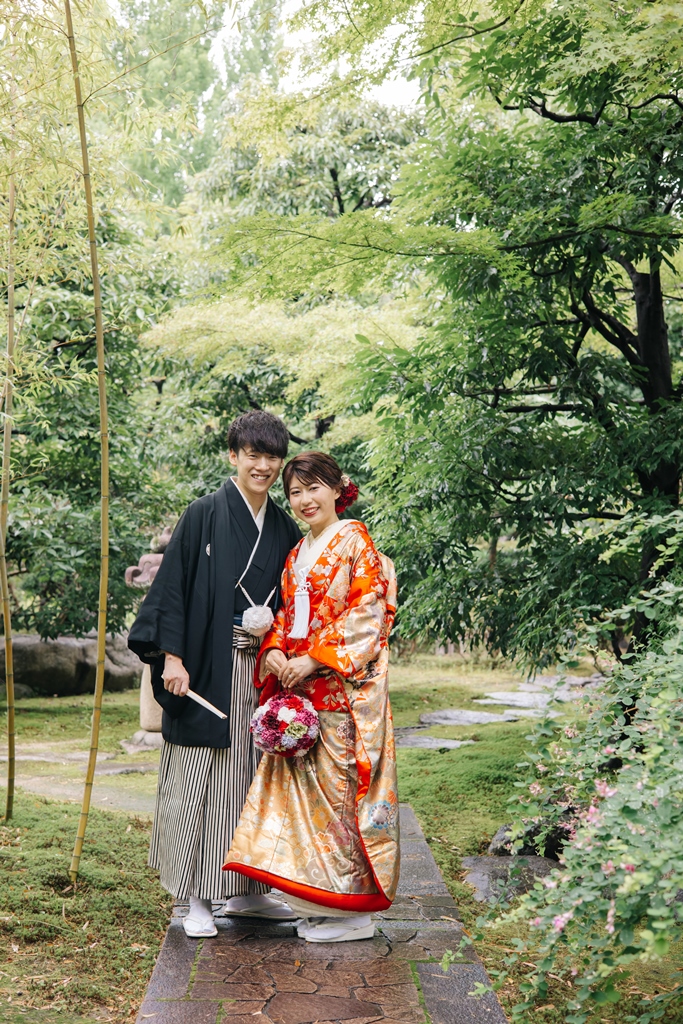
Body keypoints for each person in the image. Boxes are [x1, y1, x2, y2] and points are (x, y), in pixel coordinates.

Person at [128, 410, 301, 937]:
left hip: (261, 670)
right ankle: (198, 898)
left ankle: (250, 891)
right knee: (204, 780)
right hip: (206, 665)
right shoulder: (203, 513)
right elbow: (173, 588)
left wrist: (281, 650)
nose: (263, 466)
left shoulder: (282, 526)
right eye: (254, 455)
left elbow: (295, 602)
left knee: (256, 779)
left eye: (273, 457)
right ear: (234, 455)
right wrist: (172, 658)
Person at [223, 451, 400, 943]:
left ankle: (352, 913)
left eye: (313, 488)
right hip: (303, 693)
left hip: (340, 693)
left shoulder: (355, 541)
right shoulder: (298, 552)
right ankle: (318, 904)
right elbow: (283, 613)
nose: (304, 500)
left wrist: (316, 659)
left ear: (337, 489)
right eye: (295, 492)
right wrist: (276, 650)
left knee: (339, 800)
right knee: (303, 803)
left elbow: (369, 613)